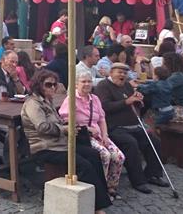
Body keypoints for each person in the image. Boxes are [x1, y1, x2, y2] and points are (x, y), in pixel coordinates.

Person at [21, 69, 111, 213]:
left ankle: (101, 197)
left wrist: (71, 126)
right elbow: (42, 127)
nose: (52, 88)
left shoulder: (47, 101)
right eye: (48, 84)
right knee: (84, 165)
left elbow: (59, 122)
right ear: (39, 85)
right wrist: (64, 129)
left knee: (93, 154)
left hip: (59, 144)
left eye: (54, 85)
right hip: (45, 148)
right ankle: (96, 206)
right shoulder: (33, 103)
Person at [94, 62, 168, 193]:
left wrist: (138, 101)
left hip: (133, 125)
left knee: (154, 141)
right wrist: (127, 101)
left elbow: (134, 103)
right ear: (111, 73)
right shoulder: (103, 86)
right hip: (115, 127)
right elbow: (104, 107)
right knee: (131, 144)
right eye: (119, 72)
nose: (122, 75)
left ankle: (152, 174)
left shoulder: (127, 85)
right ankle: (138, 181)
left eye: (125, 73)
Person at [60, 70, 126, 200]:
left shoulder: (94, 99)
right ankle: (100, 188)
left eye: (89, 81)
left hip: (99, 134)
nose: (86, 84)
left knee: (119, 156)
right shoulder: (71, 99)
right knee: (105, 155)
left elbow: (102, 119)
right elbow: (66, 120)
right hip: (83, 135)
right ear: (76, 84)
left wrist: (105, 135)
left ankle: (111, 186)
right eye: (83, 81)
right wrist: (88, 129)